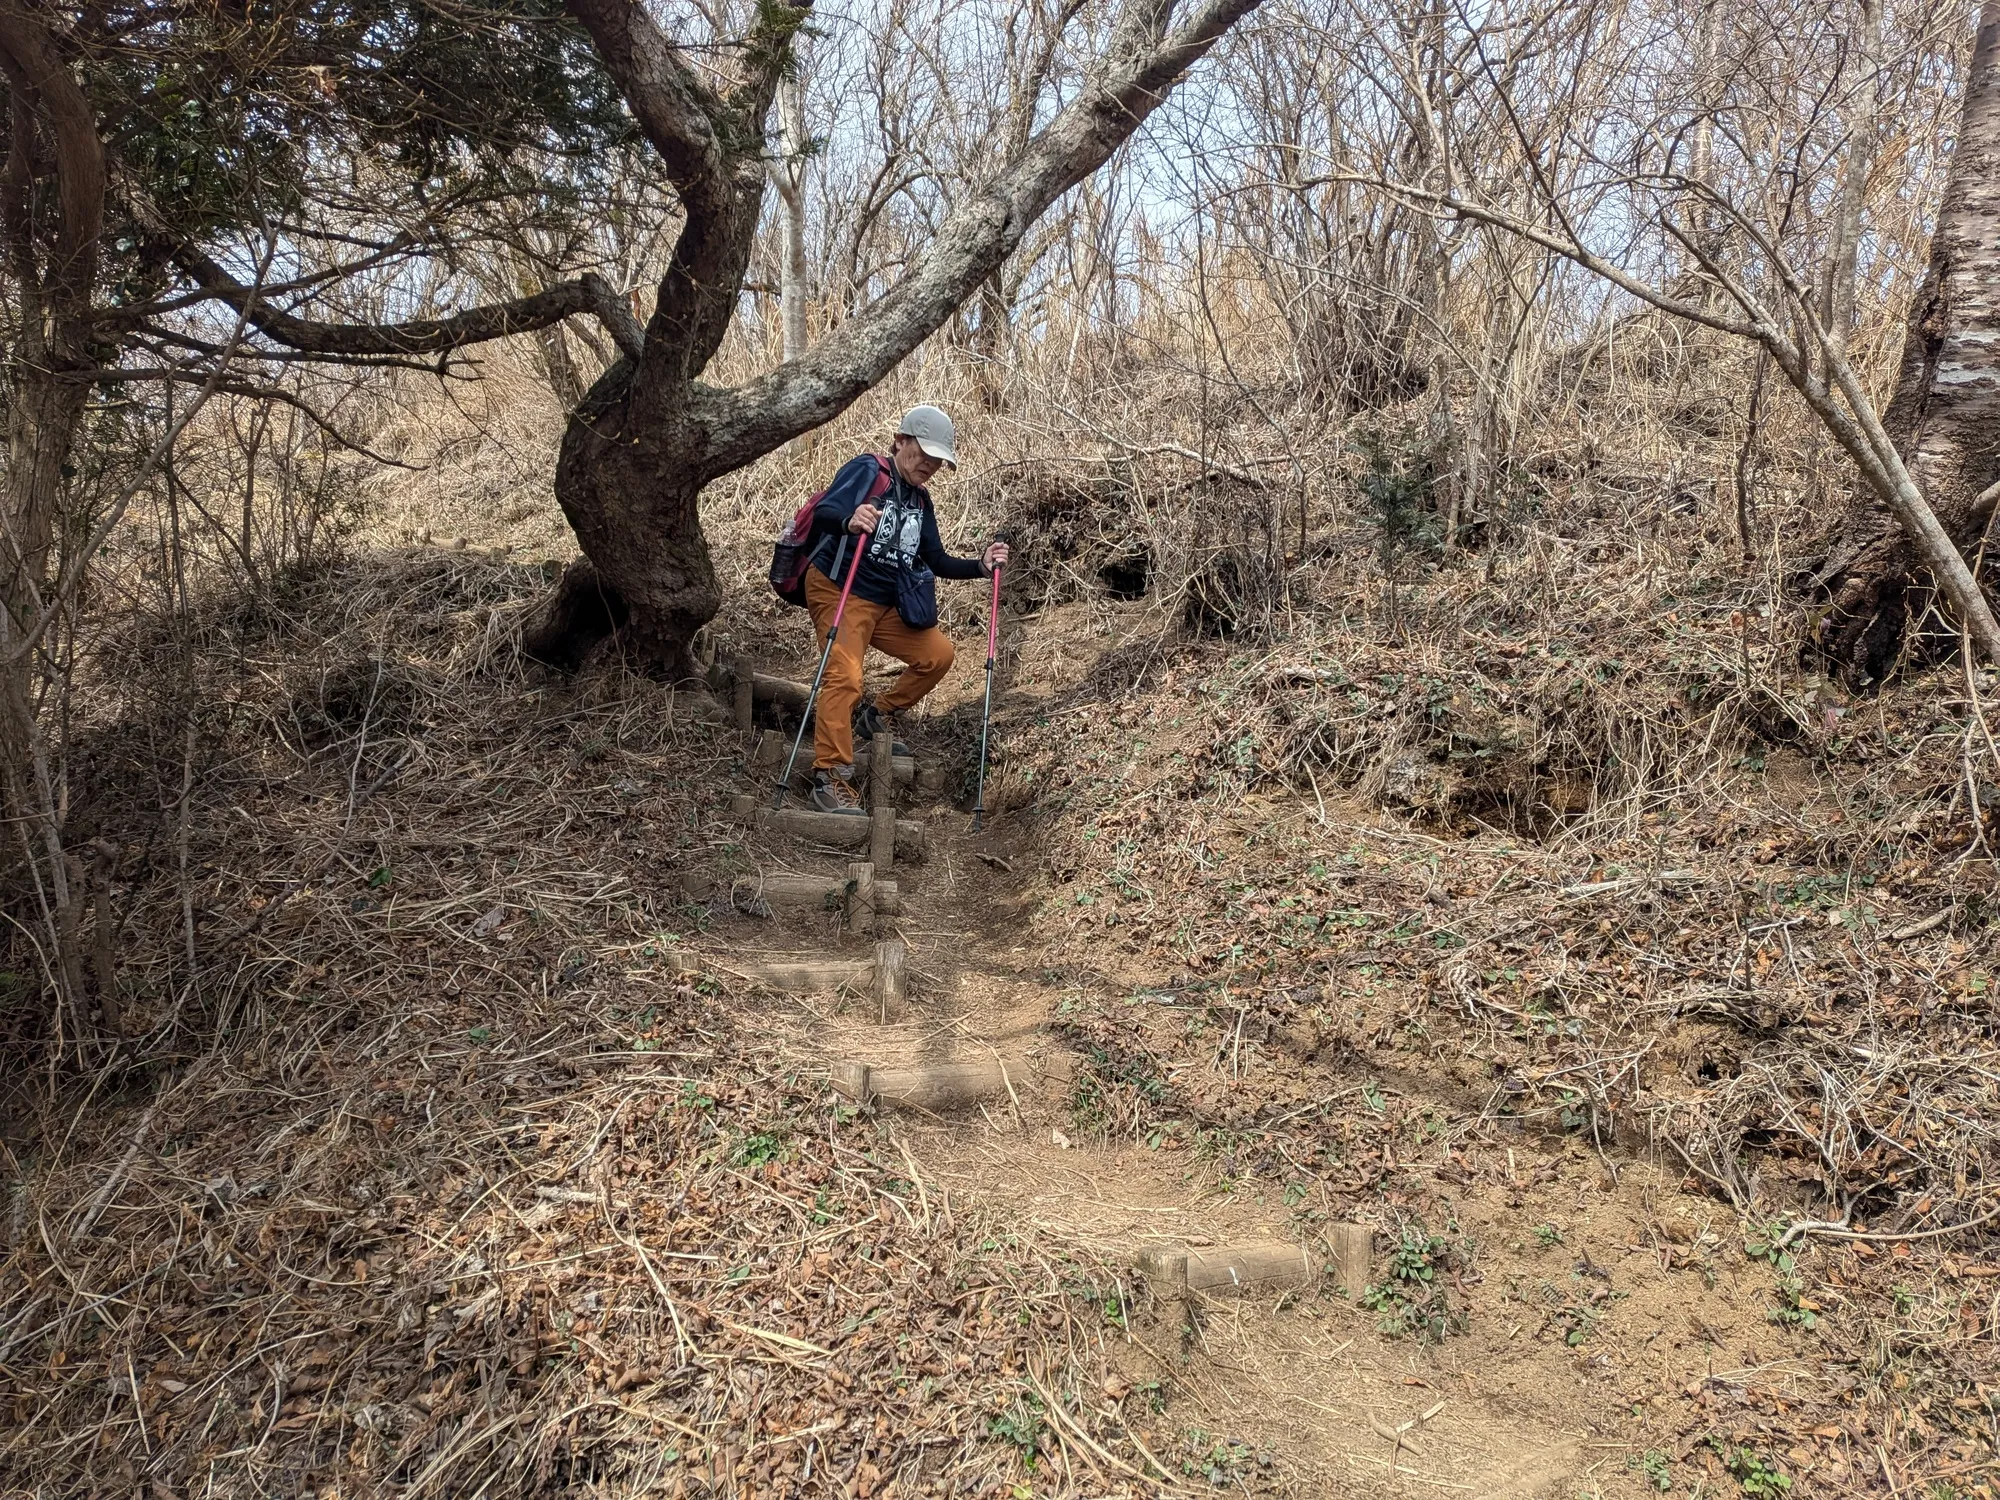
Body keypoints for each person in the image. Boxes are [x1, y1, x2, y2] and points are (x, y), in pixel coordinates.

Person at [801, 405, 1008, 814]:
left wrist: (981, 568)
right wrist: (850, 519)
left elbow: (936, 559)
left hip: (885, 602)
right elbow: (824, 513)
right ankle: (830, 777)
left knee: (937, 655)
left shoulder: (920, 500)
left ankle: (877, 714)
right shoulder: (867, 471)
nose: (930, 464)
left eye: (937, 459)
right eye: (924, 453)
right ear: (901, 441)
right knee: (845, 675)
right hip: (837, 587)